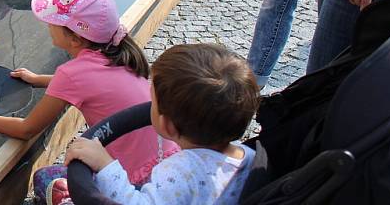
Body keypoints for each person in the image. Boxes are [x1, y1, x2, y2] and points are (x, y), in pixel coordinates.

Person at [0, 0, 179, 195]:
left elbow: (26, 129)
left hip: (133, 181)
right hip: (168, 164)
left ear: (75, 38)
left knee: (45, 180)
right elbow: (87, 82)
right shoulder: (118, 52)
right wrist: (38, 79)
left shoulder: (71, 73)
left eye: (53, 21)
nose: (47, 24)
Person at [63, 43, 259, 205]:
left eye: (153, 101)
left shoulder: (180, 171)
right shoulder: (250, 156)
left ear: (167, 125)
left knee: (47, 177)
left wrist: (105, 164)